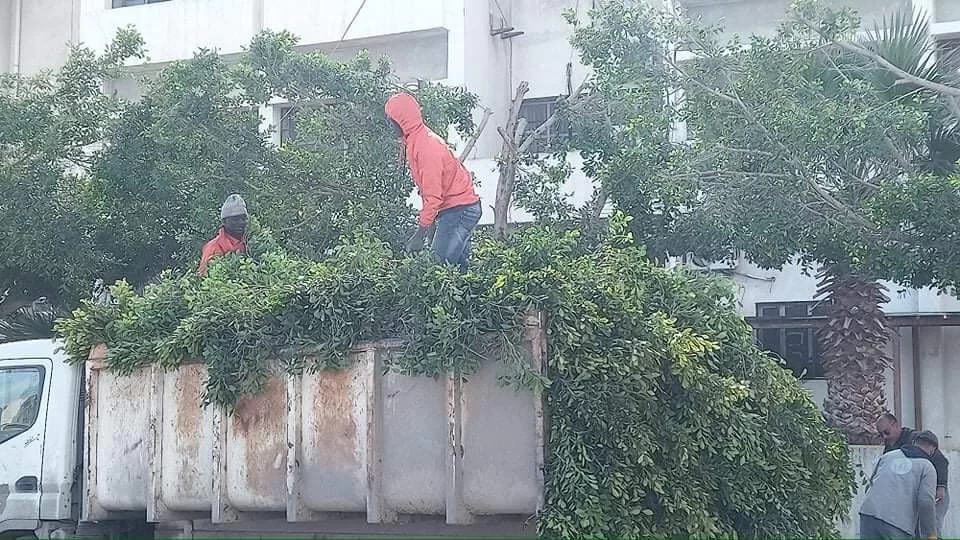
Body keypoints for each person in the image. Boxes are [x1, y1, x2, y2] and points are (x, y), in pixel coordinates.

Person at [384, 92, 482, 271]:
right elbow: (428, 192)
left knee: (438, 269)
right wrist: (430, 229)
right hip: (455, 209)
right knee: (459, 271)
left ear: (401, 120)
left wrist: (419, 236)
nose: (390, 126)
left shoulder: (425, 147)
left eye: (391, 120)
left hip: (460, 209)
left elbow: (433, 197)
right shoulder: (416, 140)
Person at [876, 413, 950, 535]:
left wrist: (941, 487)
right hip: (912, 495)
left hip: (934, 492)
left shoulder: (917, 439)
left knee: (931, 528)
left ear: (896, 425)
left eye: (886, 432)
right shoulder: (889, 448)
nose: (884, 437)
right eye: (880, 434)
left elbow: (941, 461)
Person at [860, 430, 939, 539]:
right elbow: (926, 501)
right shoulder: (927, 467)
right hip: (897, 523)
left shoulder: (888, 456)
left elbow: (871, 482)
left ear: (914, 443)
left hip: (869, 513)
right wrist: (931, 534)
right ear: (932, 449)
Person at [198, 194, 249, 276]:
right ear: (224, 221)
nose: (241, 222)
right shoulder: (213, 248)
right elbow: (202, 277)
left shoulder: (250, 242)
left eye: (243, 218)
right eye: (235, 219)